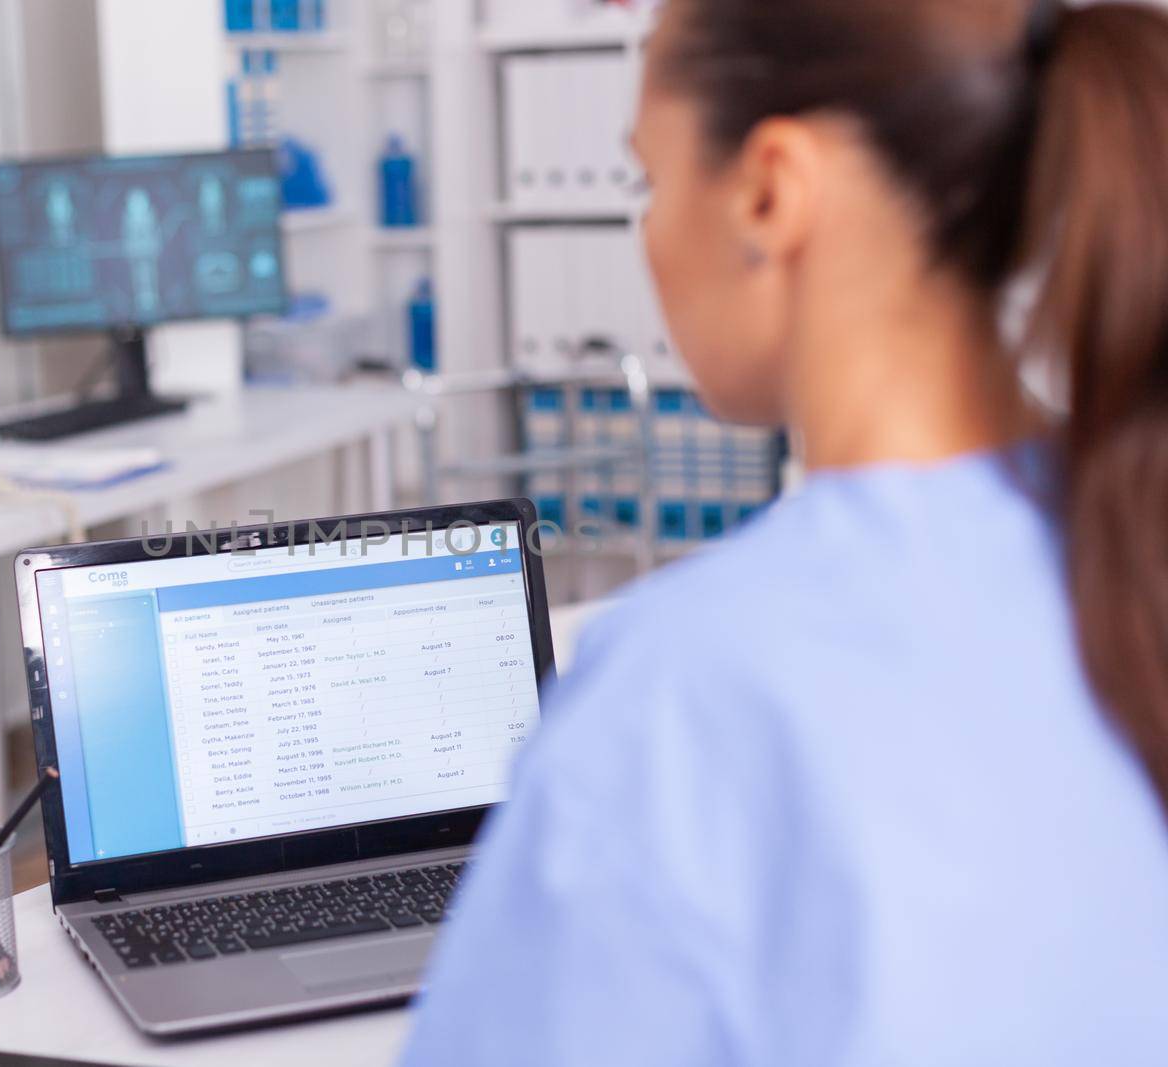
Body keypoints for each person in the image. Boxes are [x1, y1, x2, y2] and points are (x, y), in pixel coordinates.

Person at [401, 0, 1168, 1062]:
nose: (649, 231)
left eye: (649, 179)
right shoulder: (1130, 546)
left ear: (769, 192)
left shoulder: (686, 691)